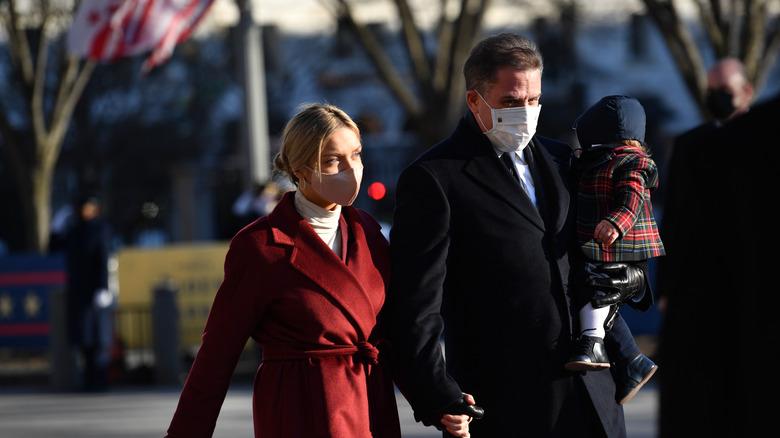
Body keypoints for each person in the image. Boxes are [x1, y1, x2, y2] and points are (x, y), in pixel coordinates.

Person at [385, 32, 644, 437]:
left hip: (593, 394)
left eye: (533, 100)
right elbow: (414, 303)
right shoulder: (435, 177)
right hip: (505, 402)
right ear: (475, 100)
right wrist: (435, 393)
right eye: (510, 101)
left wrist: (633, 281)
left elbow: (593, 249)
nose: (525, 112)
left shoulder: (564, 159)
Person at [165, 103, 473, 438]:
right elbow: (217, 353)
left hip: (371, 404)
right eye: (332, 160)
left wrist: (438, 398)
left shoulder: (367, 231)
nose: (351, 169)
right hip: (302, 407)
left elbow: (392, 334)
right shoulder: (260, 245)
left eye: (356, 154)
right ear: (300, 169)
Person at [657, 63, 779, 436]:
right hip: (703, 285)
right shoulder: (692, 144)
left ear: (747, 91)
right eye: (712, 89)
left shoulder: (767, 142)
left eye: (724, 89)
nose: (717, 98)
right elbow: (675, 219)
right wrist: (665, 286)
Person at [564, 95, 663, 405]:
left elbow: (632, 197)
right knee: (605, 299)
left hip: (619, 243)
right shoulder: (596, 161)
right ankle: (633, 361)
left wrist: (616, 222)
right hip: (603, 242)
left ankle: (592, 341)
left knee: (595, 285)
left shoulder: (630, 161)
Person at [64, 194, 114, 392]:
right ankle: (87, 381)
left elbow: (103, 259)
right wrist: (57, 223)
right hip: (78, 292)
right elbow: (53, 246)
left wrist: (103, 287)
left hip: (94, 291)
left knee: (98, 340)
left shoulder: (100, 229)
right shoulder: (74, 229)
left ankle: (99, 381)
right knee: (84, 340)